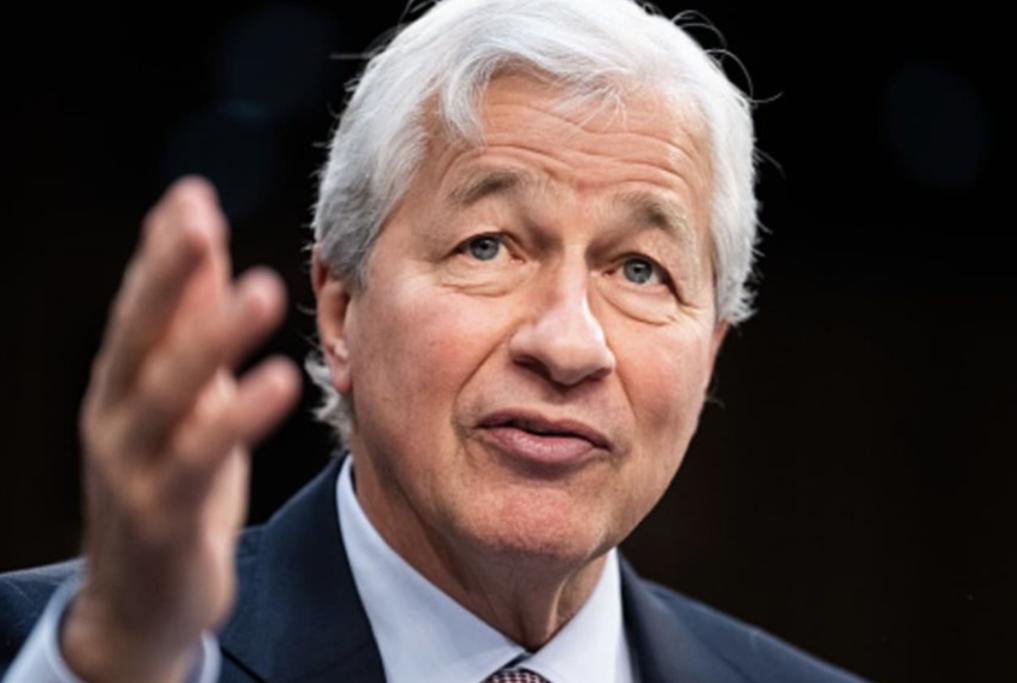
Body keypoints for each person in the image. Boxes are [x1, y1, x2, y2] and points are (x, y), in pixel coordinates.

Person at [1, 0, 867, 681]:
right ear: (340, 308)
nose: (569, 345)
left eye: (640, 269)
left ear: (708, 353)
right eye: (486, 246)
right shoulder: (75, 652)